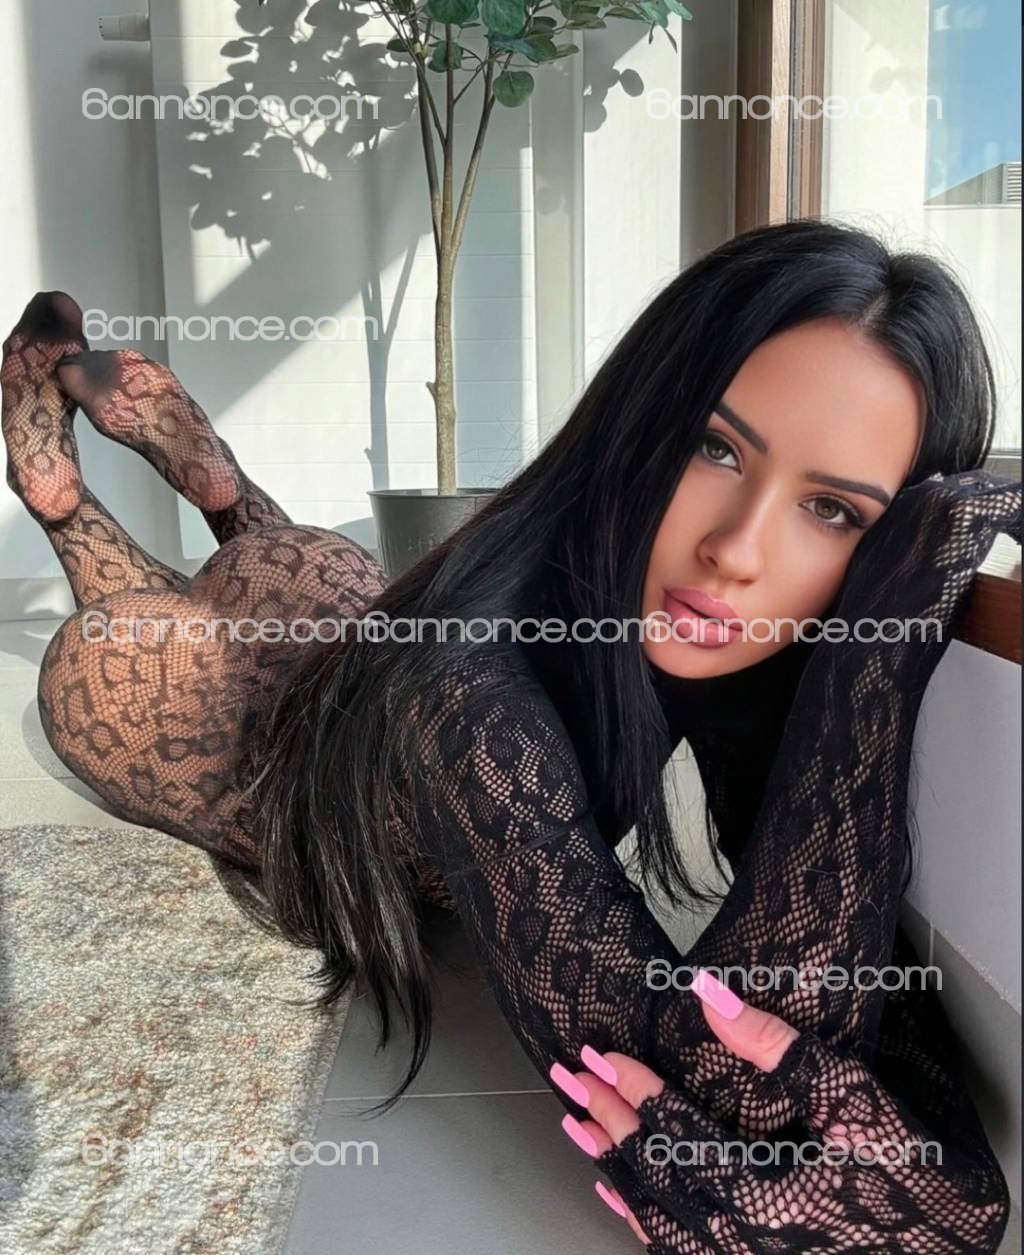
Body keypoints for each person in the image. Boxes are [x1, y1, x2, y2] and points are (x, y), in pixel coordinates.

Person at [3, 219, 1019, 1252]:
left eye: (835, 512)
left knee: (303, 582)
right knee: (133, 622)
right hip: (211, 724)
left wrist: (952, 1175)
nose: (737, 550)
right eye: (714, 447)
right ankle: (57, 484)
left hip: (335, 599)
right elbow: (716, 1078)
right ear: (637, 418)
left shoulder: (702, 643)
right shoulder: (468, 693)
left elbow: (853, 1005)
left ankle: (209, 477)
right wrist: (876, 659)